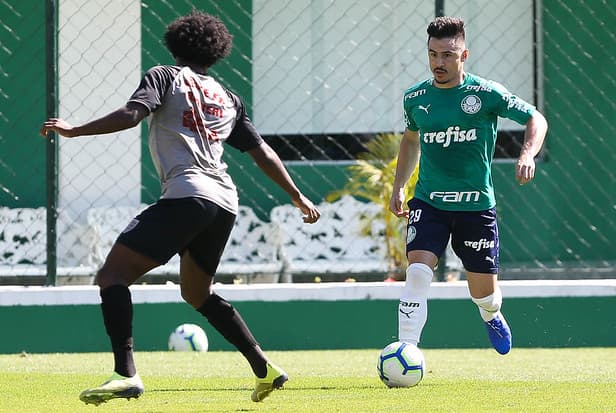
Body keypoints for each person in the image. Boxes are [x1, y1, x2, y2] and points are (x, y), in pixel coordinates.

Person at [40, 10, 320, 405]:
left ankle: (126, 375)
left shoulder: (165, 76)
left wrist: (75, 129)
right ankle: (264, 368)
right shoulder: (228, 97)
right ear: (216, 51)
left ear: (174, 44)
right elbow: (262, 152)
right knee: (196, 292)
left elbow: (131, 115)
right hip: (224, 202)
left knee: (112, 276)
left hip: (189, 194)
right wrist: (297, 194)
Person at [389, 16, 547, 355]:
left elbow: (536, 117)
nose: (438, 63)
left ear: (464, 55)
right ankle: (406, 349)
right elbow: (411, 140)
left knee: (484, 294)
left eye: (447, 55)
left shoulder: (486, 93)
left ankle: (490, 314)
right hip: (429, 203)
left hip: (475, 207)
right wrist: (399, 186)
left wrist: (528, 155)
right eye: (433, 55)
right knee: (417, 272)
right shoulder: (415, 98)